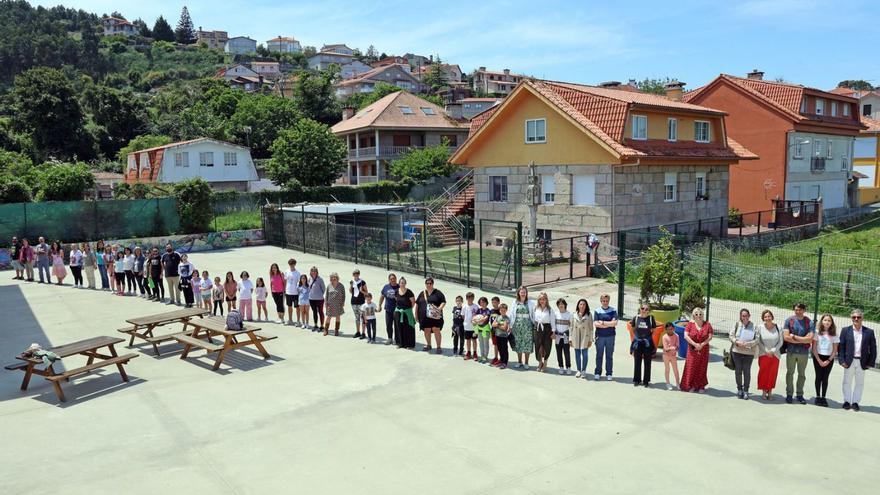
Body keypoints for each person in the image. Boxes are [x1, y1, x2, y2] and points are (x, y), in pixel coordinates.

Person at [839, 309, 877, 412]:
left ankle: (855, 402)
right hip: (848, 361)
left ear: (862, 318)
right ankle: (847, 401)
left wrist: (870, 362)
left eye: (858, 317)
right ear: (851, 318)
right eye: (854, 317)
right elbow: (841, 346)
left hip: (862, 361)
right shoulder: (845, 330)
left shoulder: (869, 332)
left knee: (859, 383)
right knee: (847, 382)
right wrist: (841, 360)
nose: (856, 319)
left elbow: (873, 348)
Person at [783, 302, 814, 404]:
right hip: (791, 352)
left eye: (800, 310)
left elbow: (810, 339)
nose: (798, 311)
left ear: (804, 310)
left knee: (802, 374)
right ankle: (789, 394)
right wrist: (802, 340)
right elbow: (786, 337)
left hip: (803, 353)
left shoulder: (809, 322)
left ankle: (800, 394)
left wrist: (794, 337)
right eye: (796, 309)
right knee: (790, 373)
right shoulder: (789, 321)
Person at [680, 307, 712, 393]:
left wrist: (702, 344)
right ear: (693, 315)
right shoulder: (690, 324)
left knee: (702, 367)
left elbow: (710, 336)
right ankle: (690, 385)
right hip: (692, 350)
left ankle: (700, 386)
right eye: (696, 314)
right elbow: (686, 336)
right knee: (691, 367)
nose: (698, 316)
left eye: (700, 314)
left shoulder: (707, 324)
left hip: (703, 350)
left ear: (703, 315)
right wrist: (695, 344)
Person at [729, 308, 758, 400]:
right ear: (740, 316)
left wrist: (748, 344)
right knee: (738, 371)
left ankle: (746, 390)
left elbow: (757, 339)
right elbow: (731, 335)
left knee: (746, 371)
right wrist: (736, 342)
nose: (744, 317)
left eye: (746, 315)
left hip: (749, 352)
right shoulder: (737, 324)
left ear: (749, 316)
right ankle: (739, 389)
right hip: (736, 351)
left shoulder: (754, 326)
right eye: (743, 315)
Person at [811, 314, 839, 407]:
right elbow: (814, 347)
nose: (827, 322)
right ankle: (818, 396)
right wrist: (818, 360)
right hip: (818, 357)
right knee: (818, 377)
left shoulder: (834, 334)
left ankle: (823, 397)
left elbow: (835, 350)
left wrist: (829, 360)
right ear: (822, 321)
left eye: (829, 321)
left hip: (828, 358)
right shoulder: (817, 332)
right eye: (825, 320)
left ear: (831, 323)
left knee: (825, 378)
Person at [756, 309, 782, 400]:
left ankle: (770, 391)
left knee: (772, 373)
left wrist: (774, 350)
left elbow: (781, 341)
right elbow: (758, 341)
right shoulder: (759, 327)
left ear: (772, 316)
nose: (767, 318)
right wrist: (766, 350)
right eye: (765, 317)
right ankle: (763, 391)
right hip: (763, 353)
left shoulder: (778, 327)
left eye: (769, 316)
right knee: (763, 372)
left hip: (775, 354)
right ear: (763, 318)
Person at [416, 277, 446, 354]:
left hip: (435, 316)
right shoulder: (422, 293)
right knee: (427, 330)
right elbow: (417, 305)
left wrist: (439, 309)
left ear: (433, 284)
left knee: (436, 330)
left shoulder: (437, 292)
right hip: (424, 317)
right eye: (427, 283)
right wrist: (416, 315)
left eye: (430, 283)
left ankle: (438, 347)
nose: (429, 285)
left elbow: (443, 301)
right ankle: (429, 345)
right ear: (425, 284)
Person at [630, 304, 656, 387]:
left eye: (646, 309)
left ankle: (646, 381)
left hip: (647, 343)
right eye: (642, 308)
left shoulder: (651, 318)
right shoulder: (636, 318)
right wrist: (637, 337)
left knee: (647, 362)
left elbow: (654, 330)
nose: (644, 310)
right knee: (637, 361)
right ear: (640, 309)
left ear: (648, 311)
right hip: (638, 342)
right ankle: (637, 380)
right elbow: (633, 328)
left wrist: (648, 337)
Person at [593, 293, 618, 381]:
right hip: (600, 336)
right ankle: (597, 372)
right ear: (601, 301)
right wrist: (609, 324)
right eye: (603, 301)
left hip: (610, 336)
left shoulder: (613, 310)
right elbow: (596, 324)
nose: (605, 302)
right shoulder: (597, 310)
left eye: (607, 301)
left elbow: (615, 323)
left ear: (609, 301)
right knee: (599, 355)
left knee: (609, 355)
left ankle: (609, 373)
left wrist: (603, 323)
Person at [509, 286, 535, 369]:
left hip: (528, 326)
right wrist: (510, 326)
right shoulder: (515, 302)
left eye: (524, 292)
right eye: (521, 292)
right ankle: (519, 361)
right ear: (519, 293)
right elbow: (511, 314)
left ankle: (526, 362)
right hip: (517, 326)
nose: (523, 293)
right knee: (518, 343)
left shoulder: (530, 303)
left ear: (526, 293)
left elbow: (534, 314)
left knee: (527, 344)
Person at [571, 299, 593, 379]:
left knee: (585, 354)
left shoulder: (589, 315)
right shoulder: (574, 314)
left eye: (584, 304)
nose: (582, 306)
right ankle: (578, 370)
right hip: (576, 336)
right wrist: (570, 338)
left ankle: (583, 370)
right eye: (581, 304)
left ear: (586, 306)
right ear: (578, 305)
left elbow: (591, 328)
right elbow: (571, 327)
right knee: (577, 354)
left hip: (585, 336)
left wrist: (591, 339)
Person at [532, 293, 555, 373]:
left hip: (547, 329)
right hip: (537, 328)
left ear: (546, 300)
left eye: (544, 299)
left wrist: (553, 332)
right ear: (538, 300)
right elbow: (533, 319)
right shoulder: (535, 308)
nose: (542, 301)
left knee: (546, 346)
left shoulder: (550, 310)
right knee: (538, 346)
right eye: (540, 299)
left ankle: (545, 362)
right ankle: (539, 362)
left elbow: (552, 321)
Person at [394, 277, 417, 349]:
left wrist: (408, 310)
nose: (402, 284)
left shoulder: (409, 292)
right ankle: (400, 343)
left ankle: (409, 344)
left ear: (405, 284)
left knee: (409, 328)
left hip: (407, 312)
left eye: (403, 283)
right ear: (399, 283)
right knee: (398, 327)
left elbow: (413, 302)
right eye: (401, 283)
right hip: (398, 312)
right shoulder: (396, 291)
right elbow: (396, 300)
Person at [378, 274, 399, 346]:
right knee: (388, 325)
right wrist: (380, 305)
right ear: (389, 280)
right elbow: (382, 296)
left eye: (394, 278)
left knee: (397, 325)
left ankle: (396, 339)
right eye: (391, 279)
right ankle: (390, 338)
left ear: (396, 279)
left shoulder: (399, 287)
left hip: (397, 310)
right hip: (388, 309)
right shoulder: (386, 287)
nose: (393, 280)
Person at [473, 297, 492, 363]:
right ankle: (482, 356)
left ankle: (485, 357)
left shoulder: (488, 310)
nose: (482, 303)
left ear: (486, 303)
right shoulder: (479, 310)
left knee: (485, 343)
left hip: (485, 329)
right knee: (481, 343)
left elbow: (485, 318)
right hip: (479, 329)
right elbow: (474, 317)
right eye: (481, 302)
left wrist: (478, 321)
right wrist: (474, 321)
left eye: (484, 302)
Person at [662, 323, 680, 390]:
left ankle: (678, 383)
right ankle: (668, 383)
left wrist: (671, 348)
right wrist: (673, 348)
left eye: (671, 329)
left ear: (674, 328)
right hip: (666, 356)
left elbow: (678, 347)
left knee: (675, 370)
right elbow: (666, 349)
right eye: (668, 329)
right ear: (666, 330)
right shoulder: (664, 337)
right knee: (667, 369)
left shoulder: (676, 336)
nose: (670, 330)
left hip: (673, 356)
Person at [350, 269, 368, 339]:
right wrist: (351, 286)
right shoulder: (352, 282)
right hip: (354, 302)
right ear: (353, 275)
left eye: (357, 273)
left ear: (359, 274)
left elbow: (367, 293)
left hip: (361, 303)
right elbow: (351, 291)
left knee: (363, 318)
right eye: (355, 274)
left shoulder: (362, 282)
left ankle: (363, 333)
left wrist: (362, 291)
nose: (356, 275)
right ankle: (358, 332)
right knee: (357, 318)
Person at [493, 304, 511, 369]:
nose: (502, 311)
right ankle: (501, 360)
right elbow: (493, 324)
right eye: (501, 310)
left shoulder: (507, 318)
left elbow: (505, 328)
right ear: (499, 310)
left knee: (504, 350)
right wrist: (499, 325)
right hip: (498, 335)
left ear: (506, 310)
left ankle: (505, 363)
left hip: (504, 337)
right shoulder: (498, 317)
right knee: (500, 349)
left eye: (504, 310)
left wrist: (497, 325)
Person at [284, 259, 301, 325]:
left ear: (295, 264)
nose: (291, 265)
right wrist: (285, 290)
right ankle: (290, 320)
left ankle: (298, 321)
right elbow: (285, 281)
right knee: (289, 307)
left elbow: (299, 283)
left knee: (297, 307)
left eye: (293, 264)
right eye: (290, 264)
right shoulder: (287, 271)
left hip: (295, 293)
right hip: (288, 292)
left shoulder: (297, 273)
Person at [462, 292, 479, 360]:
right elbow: (463, 316)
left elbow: (478, 316)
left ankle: (475, 353)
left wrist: (475, 321)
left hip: (474, 327)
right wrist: (466, 322)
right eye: (468, 298)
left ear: (473, 298)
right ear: (466, 298)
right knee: (468, 340)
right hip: (467, 327)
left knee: (474, 340)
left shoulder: (476, 306)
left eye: (471, 298)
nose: (470, 299)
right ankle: (468, 352)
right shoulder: (464, 306)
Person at [489, 296, 502, 365]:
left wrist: (498, 325)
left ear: (498, 302)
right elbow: (490, 320)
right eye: (493, 302)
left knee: (499, 345)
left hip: (499, 331)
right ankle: (496, 357)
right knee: (495, 345)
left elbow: (502, 320)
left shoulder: (500, 311)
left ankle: (501, 358)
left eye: (495, 302)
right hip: (493, 330)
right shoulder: (491, 311)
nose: (494, 304)